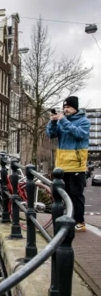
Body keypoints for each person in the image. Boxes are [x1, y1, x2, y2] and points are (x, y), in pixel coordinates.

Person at [46, 96, 90, 232]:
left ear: (75, 108)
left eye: (68, 107)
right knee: (62, 194)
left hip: (76, 165)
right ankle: (67, 219)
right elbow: (50, 135)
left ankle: (80, 221)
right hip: (62, 165)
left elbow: (79, 134)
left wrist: (63, 120)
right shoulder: (61, 121)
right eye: (64, 107)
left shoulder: (84, 121)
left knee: (76, 194)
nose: (66, 110)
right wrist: (52, 122)